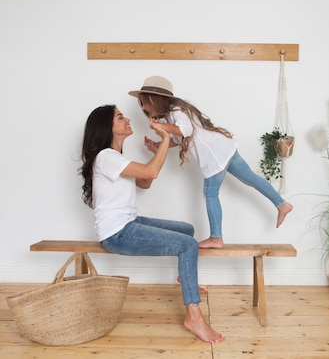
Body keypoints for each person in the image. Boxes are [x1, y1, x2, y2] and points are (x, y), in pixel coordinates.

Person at [79, 104, 225, 343]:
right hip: (117, 234)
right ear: (107, 127)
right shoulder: (106, 157)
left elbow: (146, 181)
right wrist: (166, 137)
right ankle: (194, 317)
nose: (127, 119)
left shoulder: (116, 158)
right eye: (119, 117)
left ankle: (185, 278)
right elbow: (151, 173)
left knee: (187, 230)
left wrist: (158, 151)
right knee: (188, 245)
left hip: (128, 223)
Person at [128, 76, 293, 249]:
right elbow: (179, 139)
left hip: (214, 154)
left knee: (210, 193)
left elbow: (186, 130)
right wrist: (158, 145)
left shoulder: (176, 111)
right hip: (223, 148)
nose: (144, 108)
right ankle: (282, 204)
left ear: (155, 100)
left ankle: (216, 237)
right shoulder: (171, 116)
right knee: (250, 178)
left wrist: (161, 128)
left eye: (144, 103)